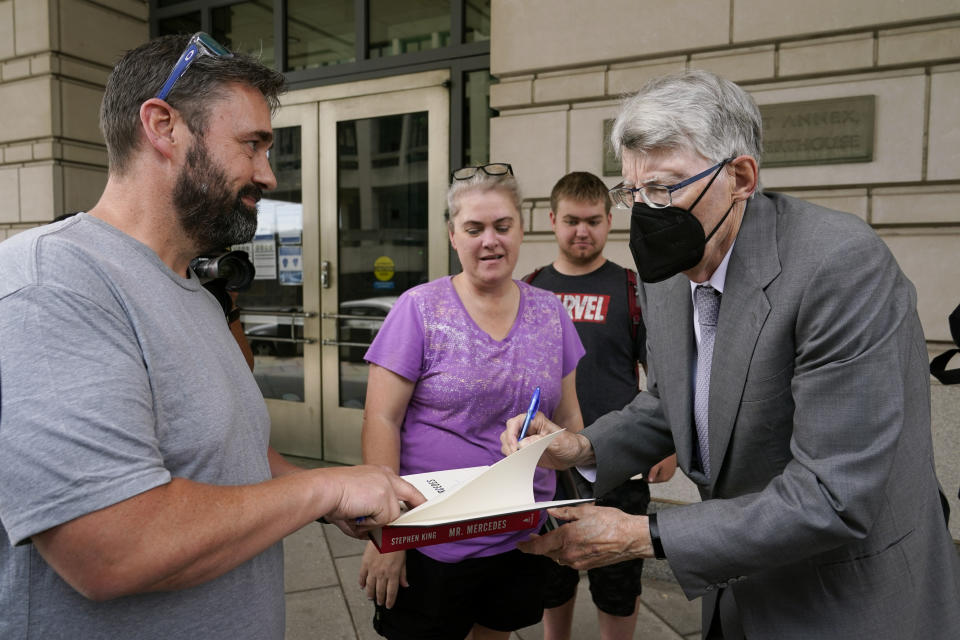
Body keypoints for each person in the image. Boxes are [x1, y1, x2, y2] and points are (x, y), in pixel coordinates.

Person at [502, 70, 960, 639]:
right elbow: (673, 400)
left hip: (846, 601)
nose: (647, 214)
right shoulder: (667, 275)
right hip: (735, 590)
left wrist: (640, 535)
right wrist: (581, 448)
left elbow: (832, 494)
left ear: (740, 176)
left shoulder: (841, 266)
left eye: (666, 189)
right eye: (633, 194)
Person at [0, 33, 421, 640]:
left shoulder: (197, 292)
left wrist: (331, 498)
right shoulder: (52, 284)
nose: (268, 176)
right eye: (252, 144)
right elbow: (112, 547)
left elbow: (235, 460)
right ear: (163, 126)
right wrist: (324, 483)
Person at [358, 163, 586, 640]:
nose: (490, 241)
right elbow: (381, 418)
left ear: (521, 228)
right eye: (474, 228)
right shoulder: (419, 308)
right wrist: (388, 533)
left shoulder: (551, 313)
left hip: (521, 534)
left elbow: (568, 416)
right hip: (432, 536)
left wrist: (576, 496)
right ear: (452, 235)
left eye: (503, 226)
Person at [524, 171, 677, 640]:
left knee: (619, 580)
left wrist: (667, 446)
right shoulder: (530, 290)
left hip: (620, 463)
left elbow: (664, 376)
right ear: (552, 220)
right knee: (552, 574)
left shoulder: (633, 289)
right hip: (549, 463)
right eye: (571, 220)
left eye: (592, 221)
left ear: (610, 221)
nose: (582, 231)